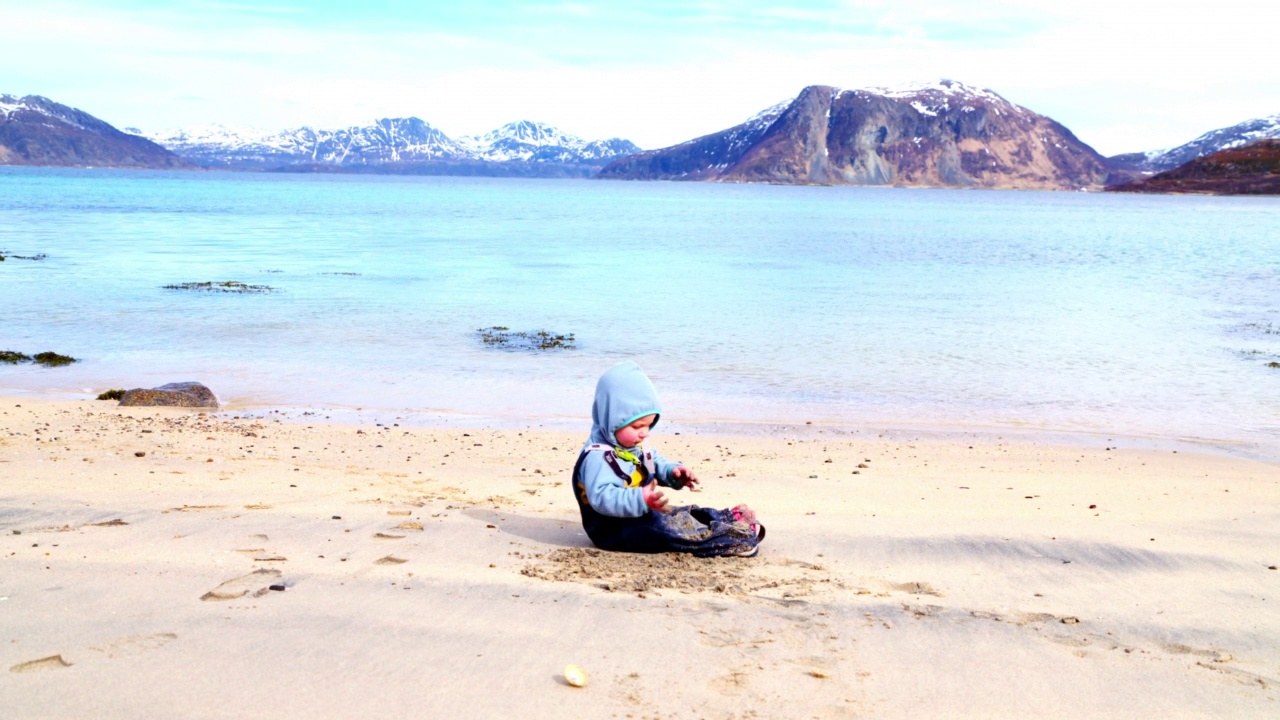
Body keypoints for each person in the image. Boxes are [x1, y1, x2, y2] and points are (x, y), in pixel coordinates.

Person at [570, 360, 764, 557]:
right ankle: (730, 541)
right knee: (668, 533)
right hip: (613, 529)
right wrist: (641, 498)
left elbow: (651, 461)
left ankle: (728, 518)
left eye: (649, 425)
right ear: (610, 419)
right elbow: (602, 497)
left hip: (640, 513)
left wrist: (672, 472)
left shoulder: (628, 443)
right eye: (637, 427)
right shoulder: (598, 457)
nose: (644, 433)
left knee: (681, 513)